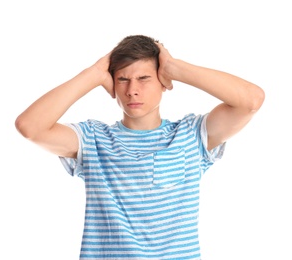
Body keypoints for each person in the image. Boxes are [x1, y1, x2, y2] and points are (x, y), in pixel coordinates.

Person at [15, 35, 265, 260]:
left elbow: (250, 101)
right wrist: (92, 75)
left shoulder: (190, 135)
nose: (132, 90)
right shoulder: (93, 139)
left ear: (163, 82)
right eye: (122, 79)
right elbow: (30, 127)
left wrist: (175, 68)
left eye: (144, 78)